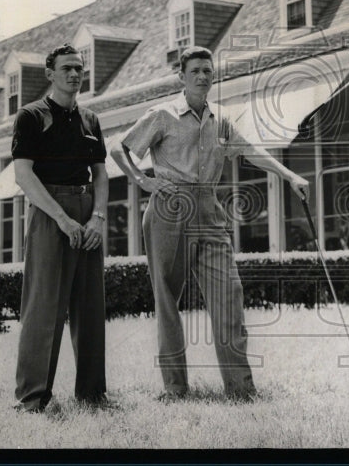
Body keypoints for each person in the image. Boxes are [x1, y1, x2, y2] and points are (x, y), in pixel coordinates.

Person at [111, 46, 309, 401]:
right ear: (181, 76)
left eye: (208, 70)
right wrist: (144, 182)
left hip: (209, 208)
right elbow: (119, 149)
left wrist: (290, 175)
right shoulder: (163, 114)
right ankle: (175, 388)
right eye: (196, 70)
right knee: (167, 300)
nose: (203, 76)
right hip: (168, 208)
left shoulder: (221, 121)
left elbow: (251, 150)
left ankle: (241, 389)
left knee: (229, 295)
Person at [12, 43, 108, 412]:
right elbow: (24, 175)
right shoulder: (31, 116)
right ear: (50, 74)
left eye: (79, 68)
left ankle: (92, 395)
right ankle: (33, 398)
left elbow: (100, 174)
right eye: (67, 68)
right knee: (43, 307)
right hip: (49, 211)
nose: (74, 74)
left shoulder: (91, 121)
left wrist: (97, 217)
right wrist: (63, 219)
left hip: (87, 211)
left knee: (89, 308)